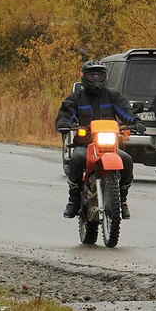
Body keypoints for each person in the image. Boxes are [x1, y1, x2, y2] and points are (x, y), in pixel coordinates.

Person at [54, 57, 141, 220]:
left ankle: (122, 200)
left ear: (105, 77)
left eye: (99, 76)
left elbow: (126, 111)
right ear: (83, 77)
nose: (95, 79)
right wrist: (64, 122)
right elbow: (65, 113)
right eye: (91, 76)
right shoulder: (76, 98)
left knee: (127, 160)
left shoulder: (113, 96)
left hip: (110, 147)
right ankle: (73, 200)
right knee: (77, 158)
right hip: (86, 144)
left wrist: (135, 122)